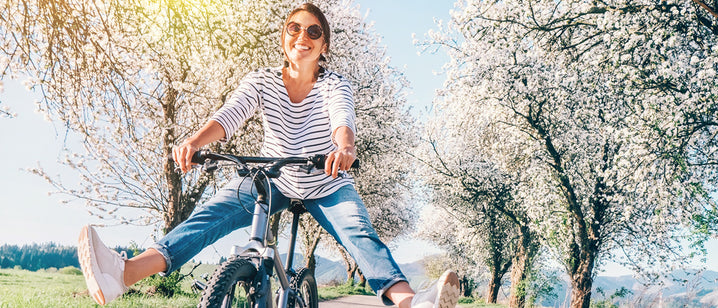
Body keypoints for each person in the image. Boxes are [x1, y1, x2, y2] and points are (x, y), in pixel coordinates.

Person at [77, 3, 459, 308]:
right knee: (208, 218)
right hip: (272, 178)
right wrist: (195, 141)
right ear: (283, 38)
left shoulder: (333, 84)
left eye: (314, 31)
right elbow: (230, 115)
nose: (303, 37)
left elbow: (342, 119)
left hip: (326, 181)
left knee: (360, 234)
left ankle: (412, 302)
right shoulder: (260, 80)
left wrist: (345, 148)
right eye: (295, 28)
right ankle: (122, 274)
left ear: (324, 45)